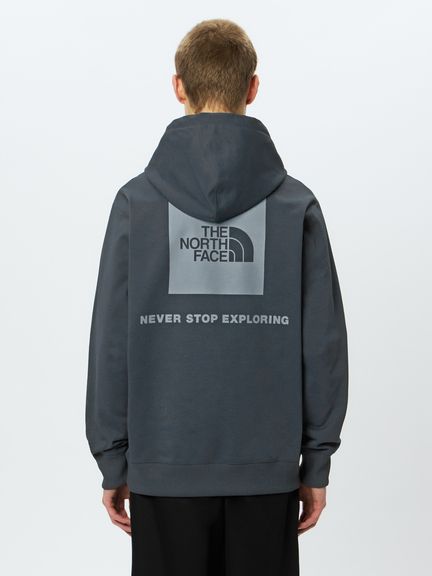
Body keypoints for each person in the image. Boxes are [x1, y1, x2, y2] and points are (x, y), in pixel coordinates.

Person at [85, 18, 349, 576]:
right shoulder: (295, 206)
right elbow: (322, 344)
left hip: (163, 466)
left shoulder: (136, 205)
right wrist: (317, 460)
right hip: (267, 472)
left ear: (177, 86)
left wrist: (113, 459)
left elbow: (110, 343)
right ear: (252, 87)